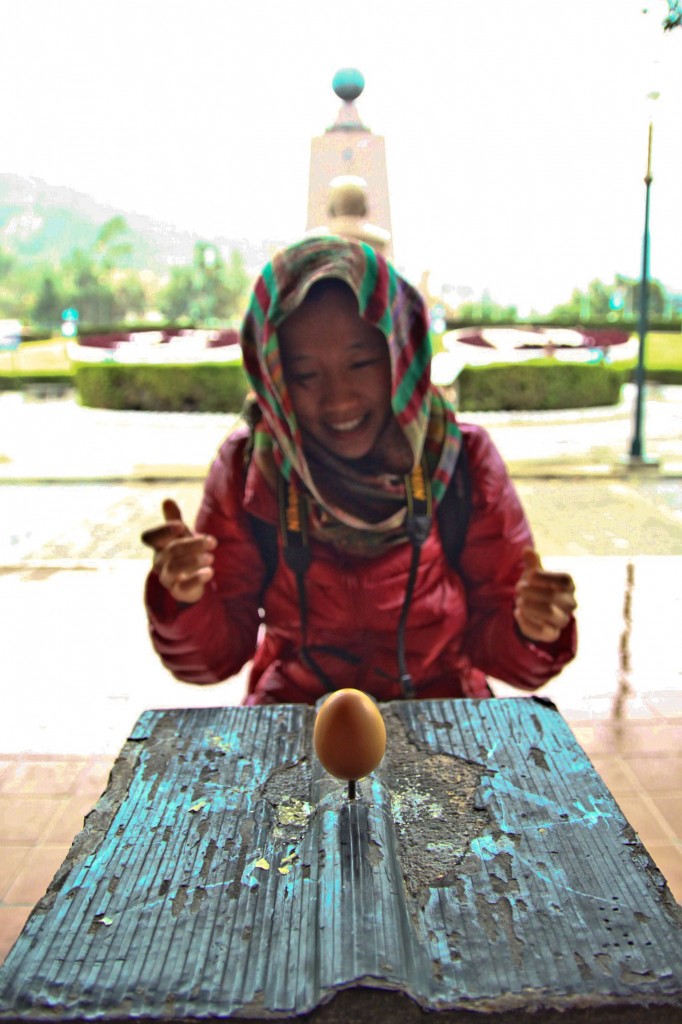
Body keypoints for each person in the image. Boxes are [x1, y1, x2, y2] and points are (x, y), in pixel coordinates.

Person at [141, 236, 577, 705]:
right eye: (305, 375)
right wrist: (185, 599)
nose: (339, 400)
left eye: (361, 363)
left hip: (440, 709)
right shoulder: (252, 467)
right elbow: (214, 659)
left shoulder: (458, 457)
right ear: (275, 377)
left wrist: (533, 627)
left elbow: (505, 652)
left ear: (400, 354)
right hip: (295, 716)